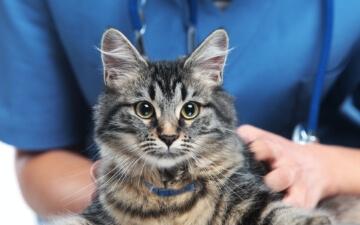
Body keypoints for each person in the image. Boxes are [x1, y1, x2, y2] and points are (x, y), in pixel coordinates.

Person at [0, 0, 360, 219]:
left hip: (308, 201)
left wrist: (325, 166)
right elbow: (37, 152)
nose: (169, 131)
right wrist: (134, 206)